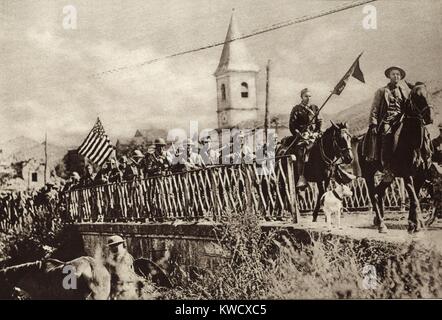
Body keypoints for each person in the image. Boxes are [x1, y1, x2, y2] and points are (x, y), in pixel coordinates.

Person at [366, 66, 411, 177]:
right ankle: (386, 166)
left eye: (398, 74)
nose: (396, 76)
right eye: (393, 74)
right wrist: (373, 124)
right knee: (387, 134)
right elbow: (375, 108)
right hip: (387, 121)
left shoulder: (404, 91)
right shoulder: (381, 91)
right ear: (389, 76)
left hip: (400, 120)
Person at [289, 88, 323, 188]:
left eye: (309, 96)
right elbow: (292, 125)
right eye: (306, 96)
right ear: (302, 97)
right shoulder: (296, 109)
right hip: (302, 136)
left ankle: (333, 171)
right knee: (301, 151)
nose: (308, 98)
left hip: (314, 135)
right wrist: (298, 133)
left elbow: (319, 122)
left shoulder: (315, 108)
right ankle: (301, 177)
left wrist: (317, 131)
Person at [104, 235, 140, 300]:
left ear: (121, 245)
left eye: (115, 246)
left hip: (126, 288)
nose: (113, 248)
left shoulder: (126, 257)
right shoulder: (113, 258)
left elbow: (123, 276)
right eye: (111, 246)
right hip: (115, 288)